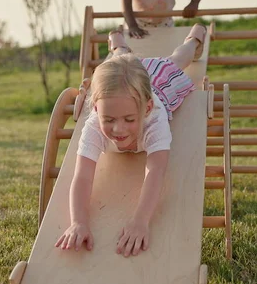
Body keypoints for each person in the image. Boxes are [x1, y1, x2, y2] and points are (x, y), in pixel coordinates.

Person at [55, 23, 207, 257]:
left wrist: (140, 221)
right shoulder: (95, 124)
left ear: (146, 109)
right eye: (109, 119)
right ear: (96, 108)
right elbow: (83, 176)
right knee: (120, 60)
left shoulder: (155, 122)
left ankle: (194, 40)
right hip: (126, 77)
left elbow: (155, 172)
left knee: (176, 61)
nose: (118, 128)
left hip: (158, 81)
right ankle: (117, 43)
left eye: (128, 119)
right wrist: (79, 222)